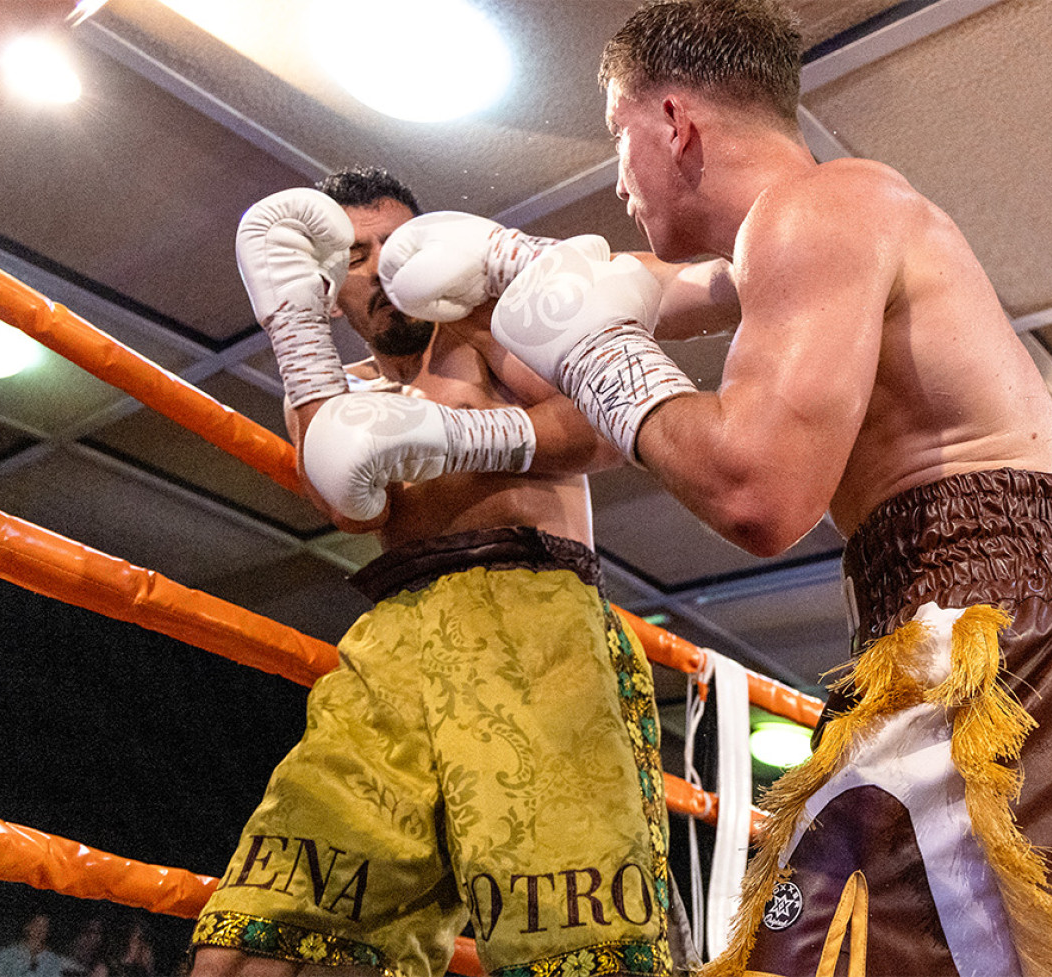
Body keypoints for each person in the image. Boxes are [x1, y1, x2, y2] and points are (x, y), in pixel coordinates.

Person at [484, 1, 1052, 975]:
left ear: (671, 122)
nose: (617, 181)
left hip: (997, 640)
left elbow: (756, 493)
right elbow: (619, 310)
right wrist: (501, 266)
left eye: (616, 139)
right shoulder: (795, 245)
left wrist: (599, 358)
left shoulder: (822, 206)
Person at [185, 165, 681, 977]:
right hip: (396, 638)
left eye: (393, 244)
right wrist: (293, 330)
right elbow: (354, 508)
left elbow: (604, 424)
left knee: (576, 946)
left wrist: (458, 436)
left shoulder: (489, 330)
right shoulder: (333, 391)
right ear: (329, 285)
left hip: (534, 621)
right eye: (354, 255)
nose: (379, 267)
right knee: (255, 945)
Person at [0, 915, 64, 977]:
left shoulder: (52, 960)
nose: (40, 929)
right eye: (36, 924)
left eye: (45, 926)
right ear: (27, 926)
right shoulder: (7, 954)